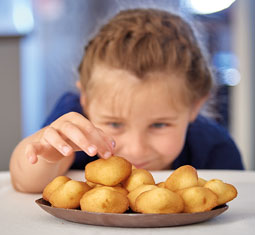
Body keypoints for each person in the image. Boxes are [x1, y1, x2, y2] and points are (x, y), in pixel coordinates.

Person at [9, 8, 244, 193]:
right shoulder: (73, 131)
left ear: (195, 106)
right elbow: (24, 183)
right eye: (115, 124)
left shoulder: (215, 149)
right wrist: (48, 159)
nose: (136, 149)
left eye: (159, 125)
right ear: (86, 102)